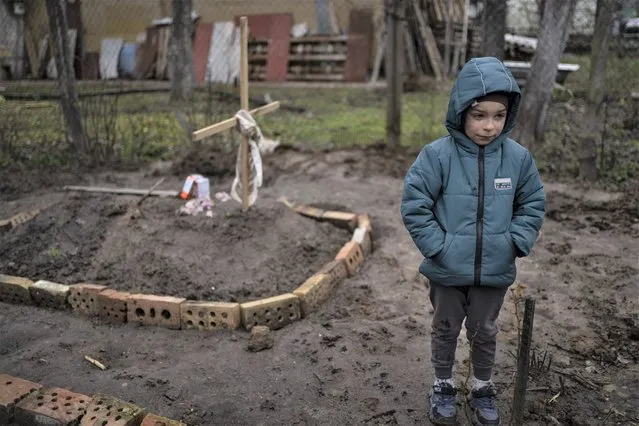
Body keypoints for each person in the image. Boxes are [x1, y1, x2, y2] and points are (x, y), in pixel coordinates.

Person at [400, 57, 545, 426]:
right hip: (447, 271)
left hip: (494, 270)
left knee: (485, 331)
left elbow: (532, 203)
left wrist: (514, 242)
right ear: (461, 109)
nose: (489, 126)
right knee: (445, 328)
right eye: (479, 114)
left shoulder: (518, 159)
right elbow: (415, 204)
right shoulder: (437, 156)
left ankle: (482, 386)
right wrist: (438, 248)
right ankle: (444, 384)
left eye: (499, 116)